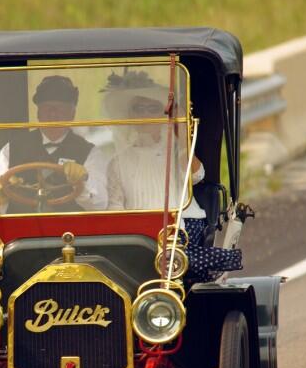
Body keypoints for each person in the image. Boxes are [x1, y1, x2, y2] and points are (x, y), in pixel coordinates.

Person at [102, 70, 242, 282]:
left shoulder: (177, 151)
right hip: (139, 235)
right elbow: (115, 208)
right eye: (139, 109)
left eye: (153, 109)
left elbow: (197, 176)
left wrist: (182, 137)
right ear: (130, 116)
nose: (146, 115)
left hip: (182, 227)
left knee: (170, 257)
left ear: (162, 114)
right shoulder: (118, 162)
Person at [0, 75, 108, 214]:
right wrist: (0, 196)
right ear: (38, 113)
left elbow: (100, 205)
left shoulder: (90, 153)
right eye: (47, 108)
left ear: (72, 114)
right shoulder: (12, 149)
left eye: (60, 109)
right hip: (22, 231)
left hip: (72, 231)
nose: (53, 115)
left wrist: (82, 181)